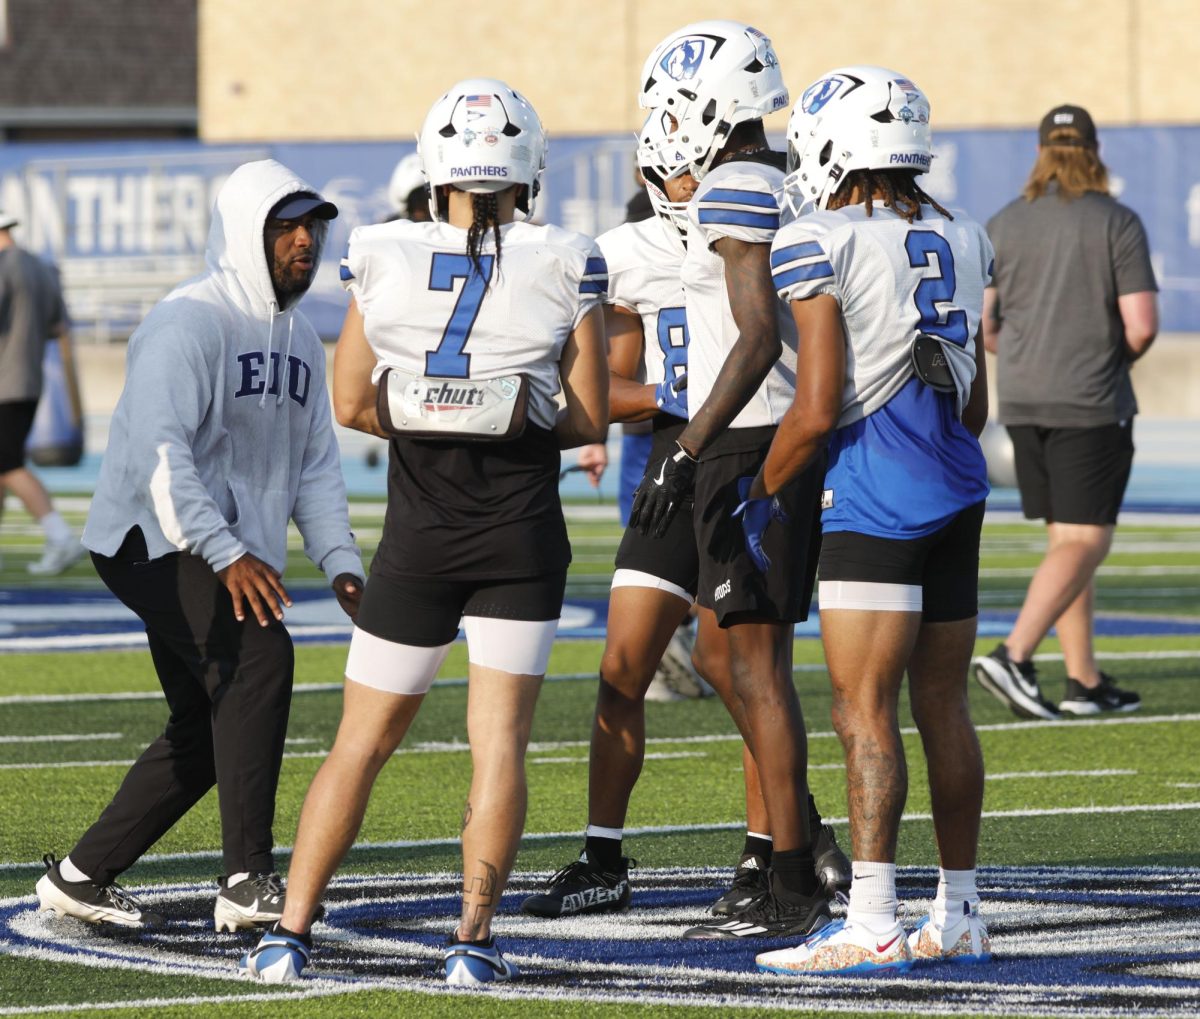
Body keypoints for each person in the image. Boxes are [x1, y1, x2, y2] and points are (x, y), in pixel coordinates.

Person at [243, 78, 608, 986]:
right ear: (527, 167)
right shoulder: (566, 256)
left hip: (418, 538)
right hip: (521, 538)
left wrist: (432, 402)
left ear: (437, 164)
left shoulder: (382, 252)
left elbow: (353, 403)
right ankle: (472, 943)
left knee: (358, 743)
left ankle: (289, 933)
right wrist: (503, 406)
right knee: (499, 747)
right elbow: (589, 417)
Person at [522, 110, 847, 925]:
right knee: (624, 661)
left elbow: (777, 342)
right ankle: (603, 855)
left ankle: (774, 844)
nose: (687, 187)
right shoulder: (623, 252)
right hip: (678, 455)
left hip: (740, 445)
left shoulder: (757, 219)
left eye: (691, 170)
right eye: (673, 174)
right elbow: (607, 380)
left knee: (734, 656)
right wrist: (669, 403)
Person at [35, 160, 364, 932]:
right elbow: (160, 454)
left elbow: (315, 466)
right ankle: (247, 877)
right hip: (150, 535)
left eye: (312, 227)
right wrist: (223, 550)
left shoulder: (301, 343)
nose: (303, 242)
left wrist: (342, 563)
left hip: (213, 545)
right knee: (261, 657)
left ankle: (82, 875)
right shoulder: (189, 319)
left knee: (209, 723)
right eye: (286, 227)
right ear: (247, 232)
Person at [741, 66, 992, 975]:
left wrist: (760, 492)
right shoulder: (965, 234)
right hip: (957, 486)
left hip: (875, 491)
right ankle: (959, 909)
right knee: (944, 704)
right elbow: (975, 403)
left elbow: (812, 408)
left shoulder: (819, 237)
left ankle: (876, 916)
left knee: (861, 711)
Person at [629, 20, 847, 941]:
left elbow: (757, 338)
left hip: (749, 438)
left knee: (754, 665)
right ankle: (784, 851)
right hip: (755, 436)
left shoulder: (736, 185)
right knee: (728, 657)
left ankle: (792, 873)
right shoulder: (779, 175)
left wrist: (688, 445)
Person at [973, 104, 1158, 720]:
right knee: (1086, 539)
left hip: (1023, 400)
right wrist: (1105, 359)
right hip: (1090, 401)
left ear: (1041, 152)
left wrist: (1032, 356)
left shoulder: (1004, 221)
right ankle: (1015, 655)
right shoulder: (1116, 221)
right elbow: (1141, 325)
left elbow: (986, 324)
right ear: (1094, 150)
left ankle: (1082, 680)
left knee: (1066, 539)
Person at [0, 213, 86, 576]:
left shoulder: (5, 266)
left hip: (3, 381)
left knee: (8, 464)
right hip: (28, 379)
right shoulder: (41, 266)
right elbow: (57, 326)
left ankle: (60, 535)